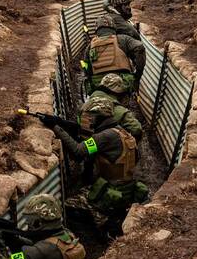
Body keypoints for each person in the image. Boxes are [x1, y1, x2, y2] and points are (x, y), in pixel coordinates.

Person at [46, 95, 147, 229]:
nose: (89, 120)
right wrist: (61, 122)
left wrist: (55, 127)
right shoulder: (120, 131)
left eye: (91, 116)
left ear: (99, 116)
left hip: (111, 192)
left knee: (67, 206)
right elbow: (86, 136)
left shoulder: (105, 136)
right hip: (127, 188)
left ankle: (105, 222)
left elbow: (78, 151)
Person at [11, 194, 86, 259]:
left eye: (30, 221)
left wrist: (11, 245)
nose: (28, 225)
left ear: (38, 223)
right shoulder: (67, 235)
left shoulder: (44, 250)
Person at [85, 17, 145, 94]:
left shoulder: (89, 47)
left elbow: (85, 65)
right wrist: (137, 75)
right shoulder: (123, 39)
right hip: (122, 83)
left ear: (97, 29)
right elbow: (140, 47)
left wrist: (89, 76)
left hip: (99, 86)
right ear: (113, 27)